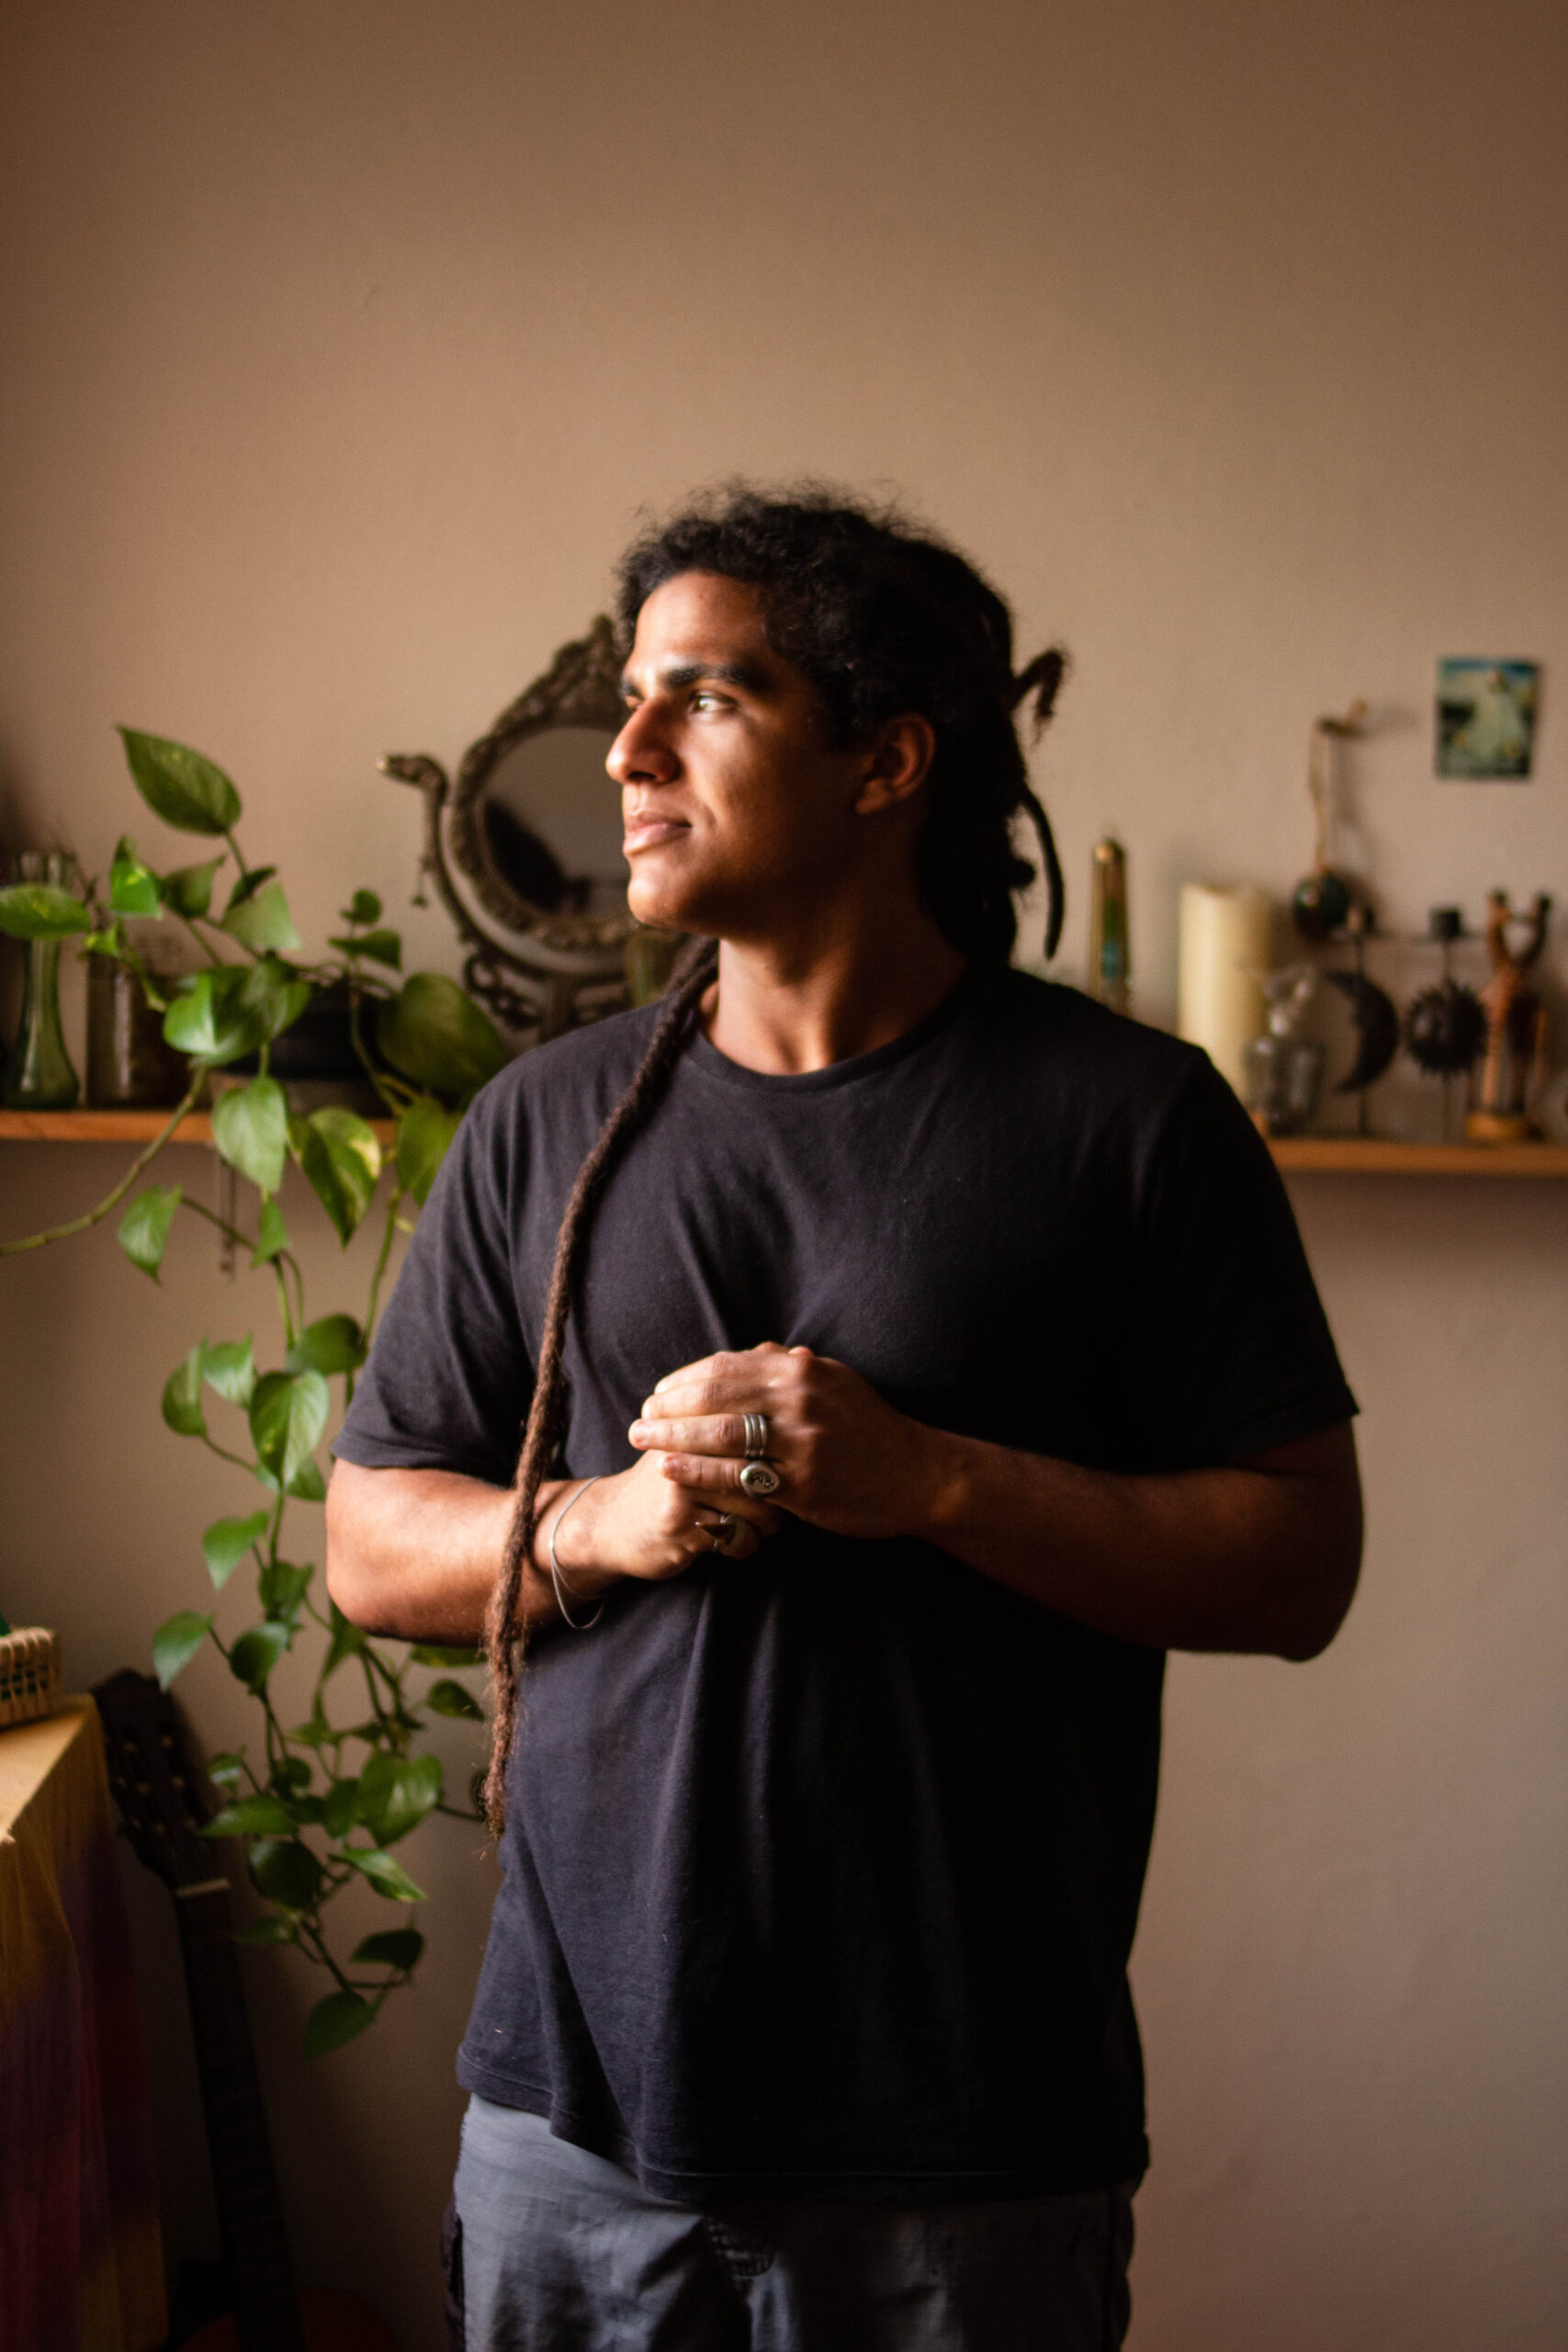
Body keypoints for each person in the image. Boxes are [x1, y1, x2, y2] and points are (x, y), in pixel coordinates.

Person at [326, 487, 1362, 2351]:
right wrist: (599, 1522)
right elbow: (367, 1544)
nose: (627, 750)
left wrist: (934, 1478)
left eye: (705, 698)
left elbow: (1299, 1561)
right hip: (568, 2131)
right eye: (630, 699)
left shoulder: (1131, 1122)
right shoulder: (540, 1123)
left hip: (966, 2152)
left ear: (886, 761)